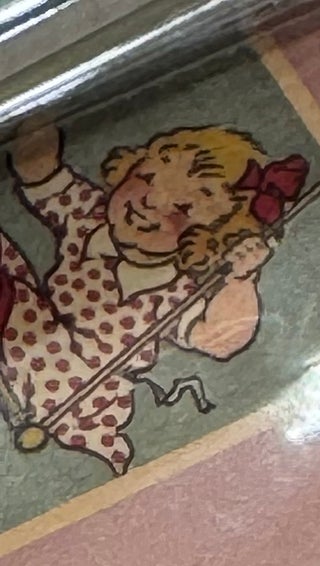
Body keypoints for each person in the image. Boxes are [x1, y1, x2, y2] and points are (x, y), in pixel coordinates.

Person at [3, 122, 302, 474]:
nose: (149, 203)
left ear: (211, 238)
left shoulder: (179, 293)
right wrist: (34, 134)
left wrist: (241, 278)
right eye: (146, 179)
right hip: (30, 329)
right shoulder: (90, 218)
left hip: (79, 392)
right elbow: (44, 176)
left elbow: (219, 338)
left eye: (181, 209)